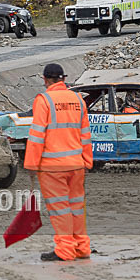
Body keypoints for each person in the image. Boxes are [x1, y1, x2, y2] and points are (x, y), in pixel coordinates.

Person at [24, 63, 92, 262]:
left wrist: (31, 165)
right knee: (77, 208)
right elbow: (85, 135)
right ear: (63, 79)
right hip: (76, 165)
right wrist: (87, 160)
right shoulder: (78, 99)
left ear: (45, 80)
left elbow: (37, 136)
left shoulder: (44, 100)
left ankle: (65, 250)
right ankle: (81, 247)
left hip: (52, 167)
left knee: (60, 209)